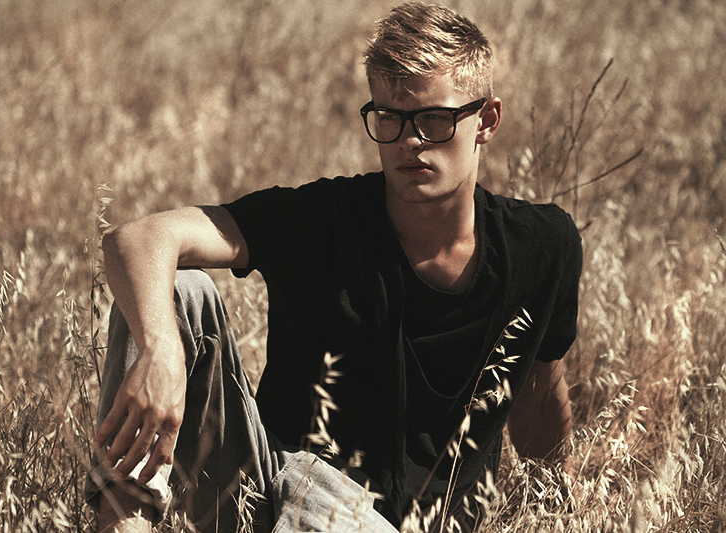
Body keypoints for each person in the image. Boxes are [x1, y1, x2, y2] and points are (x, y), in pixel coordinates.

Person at [87, 2, 581, 532]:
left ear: (486, 121)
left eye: (435, 119)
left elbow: (538, 404)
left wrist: (568, 508)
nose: (409, 141)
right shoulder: (324, 219)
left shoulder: (540, 247)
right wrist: (161, 349)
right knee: (174, 290)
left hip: (387, 524)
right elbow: (138, 239)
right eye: (390, 117)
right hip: (266, 491)